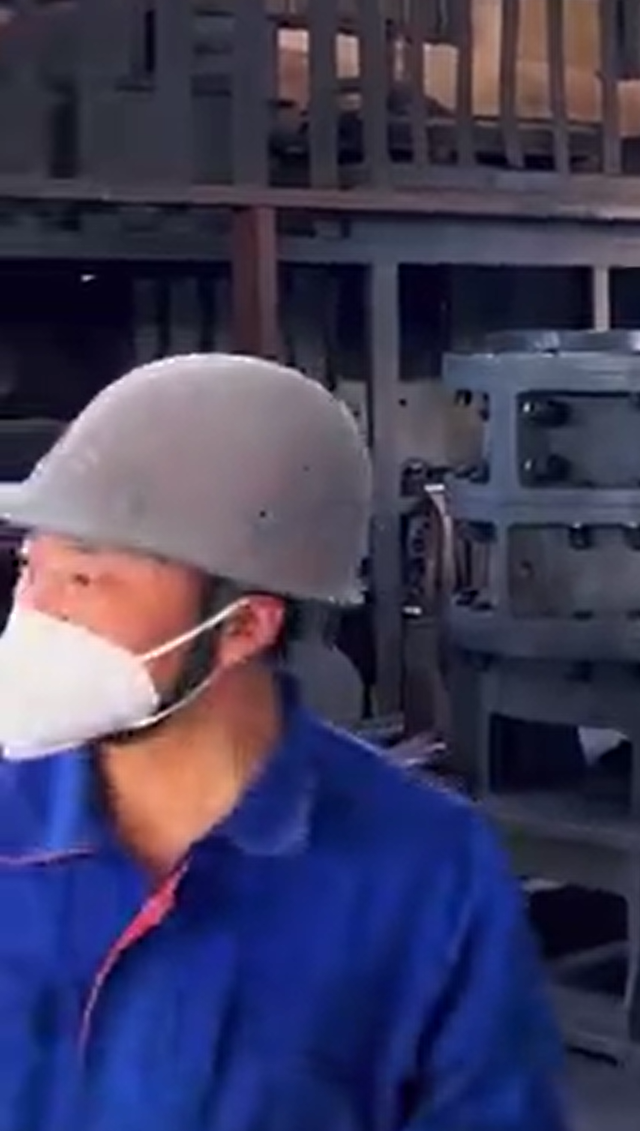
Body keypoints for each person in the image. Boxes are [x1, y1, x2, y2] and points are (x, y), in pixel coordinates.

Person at [0, 353, 572, 1131]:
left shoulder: (424, 872)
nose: (37, 613)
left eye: (85, 581)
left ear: (243, 627)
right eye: (30, 569)